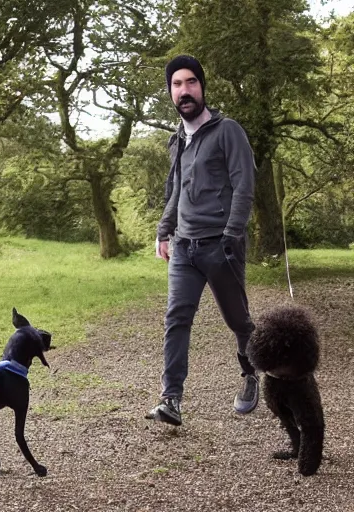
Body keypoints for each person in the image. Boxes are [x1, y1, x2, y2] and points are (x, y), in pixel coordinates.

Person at [146, 54, 258, 427]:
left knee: (238, 321)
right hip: (184, 247)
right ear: (170, 92)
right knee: (176, 318)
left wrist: (232, 235)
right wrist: (164, 230)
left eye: (190, 82)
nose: (184, 90)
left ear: (202, 87)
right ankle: (171, 398)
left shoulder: (228, 131)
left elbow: (244, 185)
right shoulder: (177, 139)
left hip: (221, 246)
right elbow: (176, 188)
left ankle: (251, 373)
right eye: (177, 85)